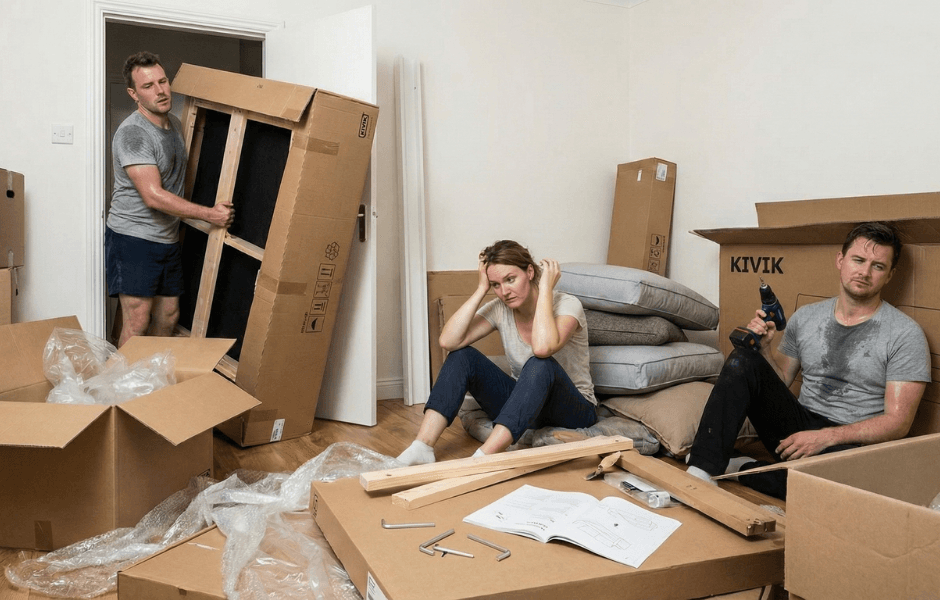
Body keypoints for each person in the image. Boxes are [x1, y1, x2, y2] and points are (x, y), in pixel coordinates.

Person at [686, 221, 930, 499]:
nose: (864, 272)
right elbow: (780, 382)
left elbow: (898, 423)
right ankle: (702, 469)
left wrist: (826, 437)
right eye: (858, 260)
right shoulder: (806, 317)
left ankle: (744, 468)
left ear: (889, 275)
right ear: (840, 260)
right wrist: (764, 350)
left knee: (842, 494)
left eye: (878, 266)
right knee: (743, 359)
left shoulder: (904, 334)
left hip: (851, 445)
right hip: (797, 431)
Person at [396, 240, 598, 465]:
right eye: (496, 284)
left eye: (510, 279)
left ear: (530, 272)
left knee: (540, 364)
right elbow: (448, 341)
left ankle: (483, 458)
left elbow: (542, 348)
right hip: (524, 406)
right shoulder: (501, 308)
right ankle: (422, 446)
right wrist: (481, 289)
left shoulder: (567, 304)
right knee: (462, 356)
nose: (504, 292)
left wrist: (544, 291)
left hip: (573, 410)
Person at [106, 51, 234, 347]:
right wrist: (210, 214)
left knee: (169, 316)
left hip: (167, 237)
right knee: (137, 321)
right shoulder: (134, 134)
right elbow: (153, 196)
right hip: (133, 237)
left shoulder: (174, 124)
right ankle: (123, 378)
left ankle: (152, 374)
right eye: (148, 86)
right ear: (134, 94)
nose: (160, 90)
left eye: (162, 81)